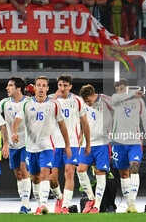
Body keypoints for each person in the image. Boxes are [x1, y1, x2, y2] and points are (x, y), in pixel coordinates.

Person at [12, 76, 72, 215]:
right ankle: (50, 200)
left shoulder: (54, 104)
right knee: (35, 177)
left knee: (46, 174)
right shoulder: (26, 104)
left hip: (47, 145)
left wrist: (67, 145)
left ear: (47, 88)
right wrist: (14, 132)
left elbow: (62, 125)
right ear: (35, 87)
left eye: (43, 85)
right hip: (31, 147)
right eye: (38, 85)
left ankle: (43, 205)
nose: (40, 87)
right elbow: (17, 120)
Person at [49, 74, 91, 214]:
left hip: (71, 143)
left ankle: (65, 206)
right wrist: (53, 99)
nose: (62, 88)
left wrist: (86, 142)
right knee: (52, 178)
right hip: (54, 143)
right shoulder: (51, 100)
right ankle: (59, 198)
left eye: (65, 85)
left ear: (70, 86)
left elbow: (85, 123)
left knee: (69, 173)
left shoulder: (78, 101)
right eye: (60, 85)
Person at [111, 79, 146, 213]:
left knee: (134, 168)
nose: (119, 91)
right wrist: (134, 92)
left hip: (134, 142)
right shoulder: (116, 100)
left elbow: (145, 121)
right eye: (117, 89)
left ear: (127, 88)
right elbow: (117, 97)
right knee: (124, 174)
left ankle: (132, 204)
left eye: (122, 88)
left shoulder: (139, 102)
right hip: (118, 143)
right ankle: (129, 204)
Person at [0, 77, 32, 214]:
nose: (7, 88)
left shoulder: (28, 102)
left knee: (24, 171)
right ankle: (26, 204)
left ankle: (25, 204)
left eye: (10, 85)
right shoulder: (4, 103)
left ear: (18, 88)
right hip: (12, 144)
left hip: (27, 143)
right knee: (18, 174)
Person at [77, 84, 113, 213]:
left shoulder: (106, 100)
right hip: (87, 143)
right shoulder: (83, 104)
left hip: (102, 143)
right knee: (80, 170)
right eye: (85, 101)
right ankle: (91, 199)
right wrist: (81, 136)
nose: (87, 103)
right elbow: (83, 122)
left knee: (100, 173)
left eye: (88, 100)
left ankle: (97, 206)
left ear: (93, 95)